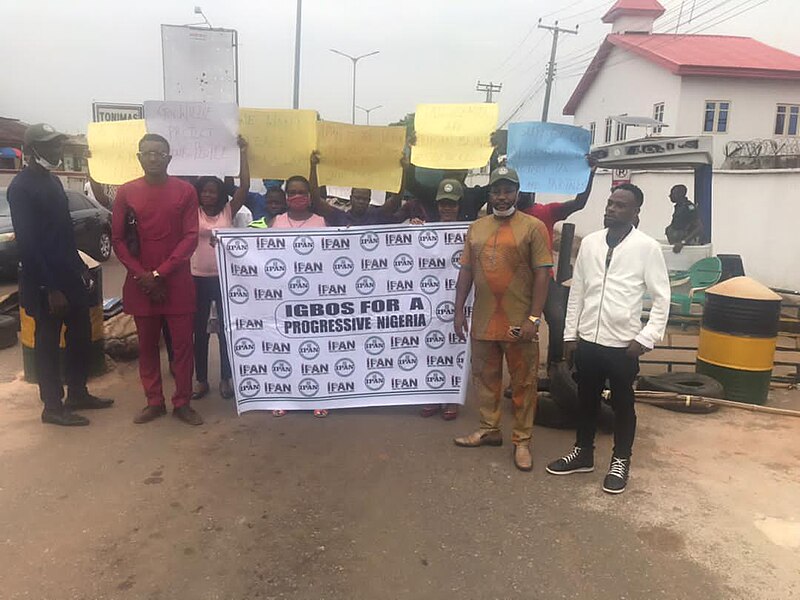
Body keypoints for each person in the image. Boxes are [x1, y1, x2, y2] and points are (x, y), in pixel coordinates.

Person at [546, 183, 670, 494]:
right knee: (586, 400)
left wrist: (647, 336)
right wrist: (570, 334)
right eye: (610, 203)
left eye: (620, 206)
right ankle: (583, 453)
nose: (611, 209)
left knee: (623, 405)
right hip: (588, 340)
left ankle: (621, 460)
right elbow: (578, 291)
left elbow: (661, 297)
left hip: (623, 346)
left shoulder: (646, 248)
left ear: (635, 212)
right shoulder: (590, 243)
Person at [7, 123, 114, 426]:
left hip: (69, 275)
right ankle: (52, 406)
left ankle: (78, 392)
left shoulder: (53, 182)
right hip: (44, 282)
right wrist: (50, 287)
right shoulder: (21, 188)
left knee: (81, 335)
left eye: (57, 145)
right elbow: (28, 244)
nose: (55, 150)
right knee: (48, 344)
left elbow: (64, 234)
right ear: (32, 150)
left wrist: (81, 268)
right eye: (49, 145)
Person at [453, 166, 552, 472]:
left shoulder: (534, 227)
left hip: (518, 320)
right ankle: (489, 429)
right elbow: (466, 271)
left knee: (523, 382)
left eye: (508, 190)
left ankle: (522, 441)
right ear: (490, 194)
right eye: (496, 190)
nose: (501, 196)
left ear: (517, 192)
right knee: (485, 376)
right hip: (484, 319)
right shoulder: (477, 228)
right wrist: (458, 310)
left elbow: (542, 275)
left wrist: (534, 317)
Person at [112, 133, 203, 426]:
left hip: (176, 282)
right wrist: (143, 276)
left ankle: (182, 402)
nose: (153, 158)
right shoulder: (126, 192)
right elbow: (118, 238)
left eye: (159, 153)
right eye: (148, 153)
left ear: (169, 158)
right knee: (147, 346)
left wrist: (160, 274)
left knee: (182, 347)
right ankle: (154, 401)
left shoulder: (186, 191)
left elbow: (190, 237)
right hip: (141, 285)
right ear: (139, 157)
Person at [190, 136, 250, 401]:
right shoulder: (191, 211)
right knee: (199, 331)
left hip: (225, 280)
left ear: (220, 194)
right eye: (204, 191)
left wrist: (242, 153)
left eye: (213, 191)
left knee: (227, 330)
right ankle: (201, 380)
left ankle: (226, 378)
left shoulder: (228, 210)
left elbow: (245, 186)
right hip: (196, 279)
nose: (208, 194)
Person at [521, 159, 597, 365]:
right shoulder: (504, 216)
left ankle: (556, 367)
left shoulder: (546, 211)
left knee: (557, 320)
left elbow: (579, 203)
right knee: (518, 327)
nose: (520, 193)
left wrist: (589, 173)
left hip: (545, 279)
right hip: (516, 282)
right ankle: (522, 373)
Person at [266, 173, 328, 418]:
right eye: (292, 192)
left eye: (302, 192)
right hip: (283, 297)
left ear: (310, 196)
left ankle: (319, 395)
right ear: (286, 196)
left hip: (313, 296)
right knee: (285, 348)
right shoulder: (276, 222)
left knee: (315, 350)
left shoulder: (321, 221)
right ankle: (284, 397)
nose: (297, 196)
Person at [418, 178, 466, 421]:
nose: (447, 209)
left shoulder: (470, 231)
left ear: (459, 205)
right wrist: (413, 230)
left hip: (459, 298)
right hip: (431, 301)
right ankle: (431, 393)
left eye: (452, 204)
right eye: (443, 204)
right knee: (429, 346)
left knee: (456, 347)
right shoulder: (426, 230)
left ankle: (451, 398)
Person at [664, 184, 702, 253]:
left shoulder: (689, 208)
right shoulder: (678, 207)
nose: (670, 196)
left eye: (673, 193)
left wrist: (683, 242)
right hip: (677, 244)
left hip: (686, 246)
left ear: (680, 194)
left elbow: (699, 227)